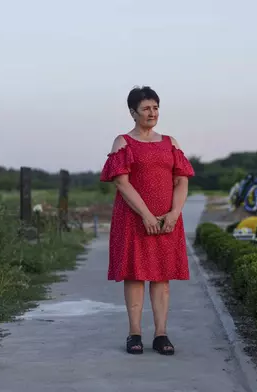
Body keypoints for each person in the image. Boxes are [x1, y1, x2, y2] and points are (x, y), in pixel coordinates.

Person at [99, 86, 195, 356]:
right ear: (133, 112)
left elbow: (181, 181)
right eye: (146, 108)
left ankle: (161, 334)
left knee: (162, 277)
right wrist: (146, 215)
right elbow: (122, 184)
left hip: (167, 220)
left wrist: (174, 213)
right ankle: (134, 334)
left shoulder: (170, 142)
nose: (152, 113)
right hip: (133, 219)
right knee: (135, 275)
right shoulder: (123, 142)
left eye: (155, 108)